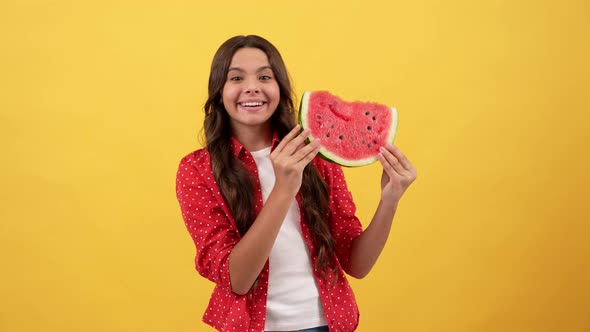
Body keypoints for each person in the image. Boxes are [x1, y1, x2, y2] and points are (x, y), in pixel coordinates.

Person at [175, 35, 417, 332]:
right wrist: (284, 189)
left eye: (265, 76)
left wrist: (390, 199)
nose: (252, 86)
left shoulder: (317, 156)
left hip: (327, 324)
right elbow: (236, 279)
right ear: (219, 91)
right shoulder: (197, 170)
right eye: (236, 77)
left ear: (280, 89)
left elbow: (358, 265)